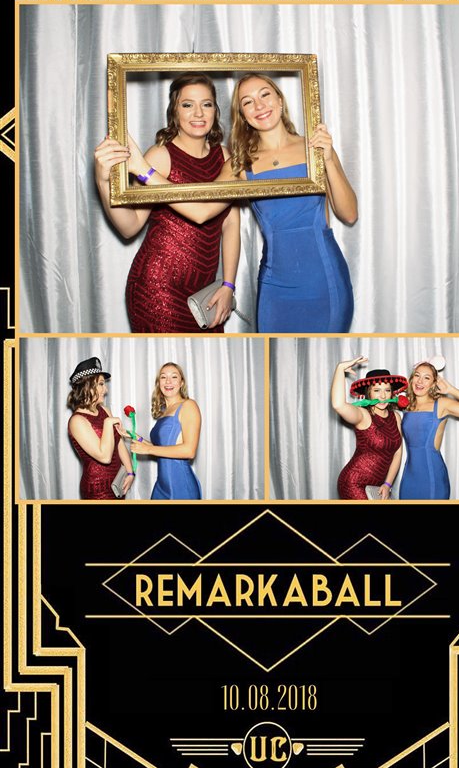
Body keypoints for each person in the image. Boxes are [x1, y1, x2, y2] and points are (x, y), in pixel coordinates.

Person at [125, 73, 357, 332]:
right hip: (274, 287)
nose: (259, 105)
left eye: (265, 95)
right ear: (242, 114)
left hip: (324, 279)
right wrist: (144, 172)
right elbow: (201, 211)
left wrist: (329, 160)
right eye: (248, 102)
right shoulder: (239, 164)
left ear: (280, 100)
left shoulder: (315, 148)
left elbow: (349, 213)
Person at [94, 73, 240, 333]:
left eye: (206, 104)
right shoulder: (160, 156)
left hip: (204, 291)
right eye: (187, 104)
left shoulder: (225, 157)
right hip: (157, 288)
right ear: (174, 110)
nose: (198, 113)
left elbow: (230, 225)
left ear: (215, 111)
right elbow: (130, 226)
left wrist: (228, 285)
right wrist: (103, 183)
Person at [399, 361, 459, 500]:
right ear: (411, 379)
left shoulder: (441, 404)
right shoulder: (406, 404)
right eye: (417, 375)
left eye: (426, 378)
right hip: (409, 476)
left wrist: (451, 390)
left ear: (433, 383)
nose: (420, 381)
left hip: (432, 476)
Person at [331, 358, 407, 500]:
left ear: (392, 393)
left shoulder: (396, 417)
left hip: (376, 486)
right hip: (353, 483)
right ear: (369, 393)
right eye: (377, 390)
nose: (383, 396)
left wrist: (388, 484)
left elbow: (397, 453)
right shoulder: (363, 415)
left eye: (387, 390)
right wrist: (340, 369)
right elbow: (338, 405)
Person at [130, 363, 201, 500]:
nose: (168, 381)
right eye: (163, 377)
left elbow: (189, 450)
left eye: (174, 377)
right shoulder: (164, 411)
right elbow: (162, 448)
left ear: (181, 383)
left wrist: (148, 449)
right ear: (159, 383)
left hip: (181, 487)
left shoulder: (188, 405)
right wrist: (134, 436)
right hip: (161, 487)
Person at [67, 357, 134, 499]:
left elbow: (119, 444)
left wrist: (130, 472)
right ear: (87, 385)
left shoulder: (105, 410)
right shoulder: (77, 421)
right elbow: (104, 457)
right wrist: (108, 423)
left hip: (117, 483)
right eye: (101, 384)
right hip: (97, 489)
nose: (106, 389)